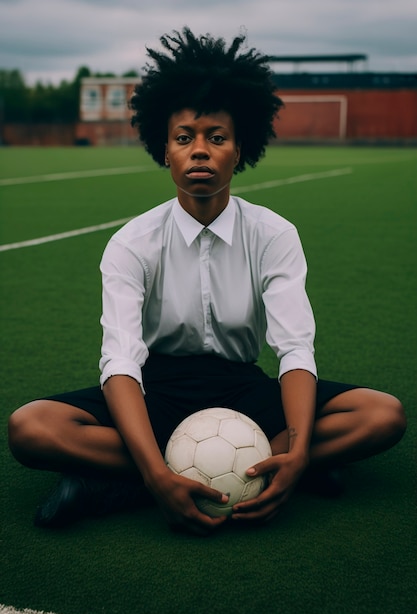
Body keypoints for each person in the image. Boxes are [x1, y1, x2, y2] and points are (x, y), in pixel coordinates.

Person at [8, 27, 406, 535]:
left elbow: (294, 349)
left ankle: (122, 481)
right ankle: (168, 477)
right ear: (164, 150)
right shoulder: (132, 243)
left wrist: (300, 448)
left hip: (243, 387)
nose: (200, 151)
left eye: (216, 138)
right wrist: (156, 475)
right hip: (160, 391)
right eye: (183, 139)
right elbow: (121, 359)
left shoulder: (273, 234)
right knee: (32, 427)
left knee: (380, 415)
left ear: (240, 149)